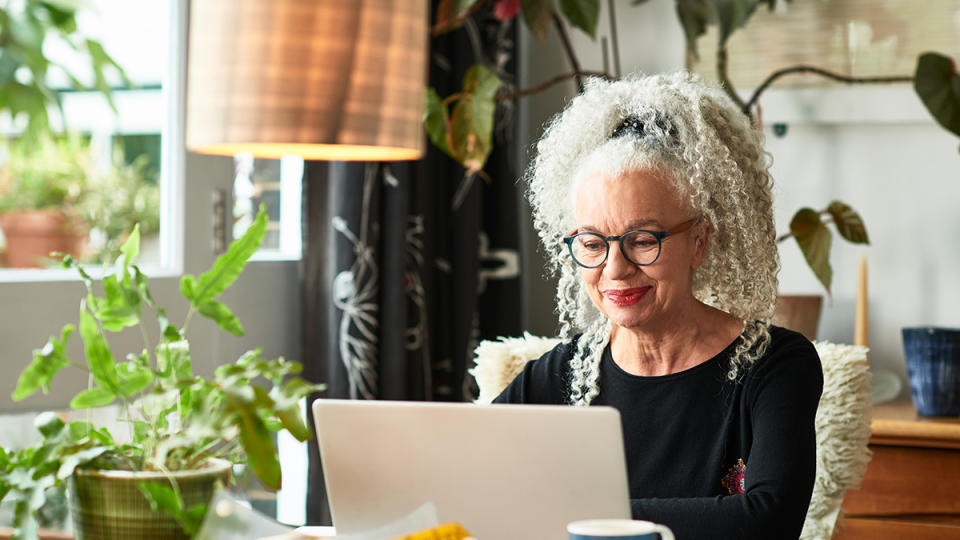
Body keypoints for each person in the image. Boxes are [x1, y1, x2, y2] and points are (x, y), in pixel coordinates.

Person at [494, 72, 823, 539]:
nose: (616, 268)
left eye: (643, 240)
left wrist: (575, 515)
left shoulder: (774, 367)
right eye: (592, 243)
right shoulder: (556, 378)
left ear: (699, 242)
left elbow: (767, 521)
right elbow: (474, 487)